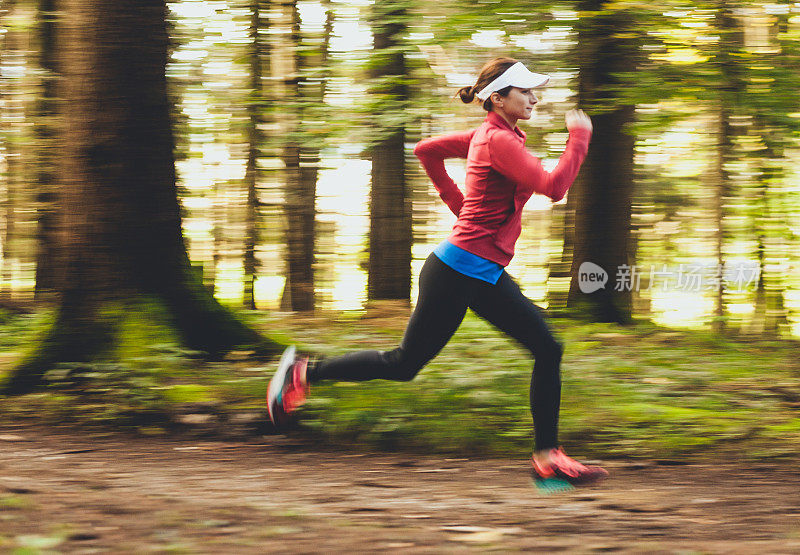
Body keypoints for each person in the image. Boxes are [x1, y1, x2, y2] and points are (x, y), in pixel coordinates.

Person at [268, 57, 608, 486]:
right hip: (456, 273)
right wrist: (579, 138)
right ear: (498, 99)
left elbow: (424, 150)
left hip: (479, 272)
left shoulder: (496, 137)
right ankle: (302, 373)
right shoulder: (496, 141)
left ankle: (548, 459)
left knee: (546, 348)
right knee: (404, 363)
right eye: (525, 91)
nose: (534, 98)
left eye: (533, 91)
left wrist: (458, 204)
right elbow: (555, 188)